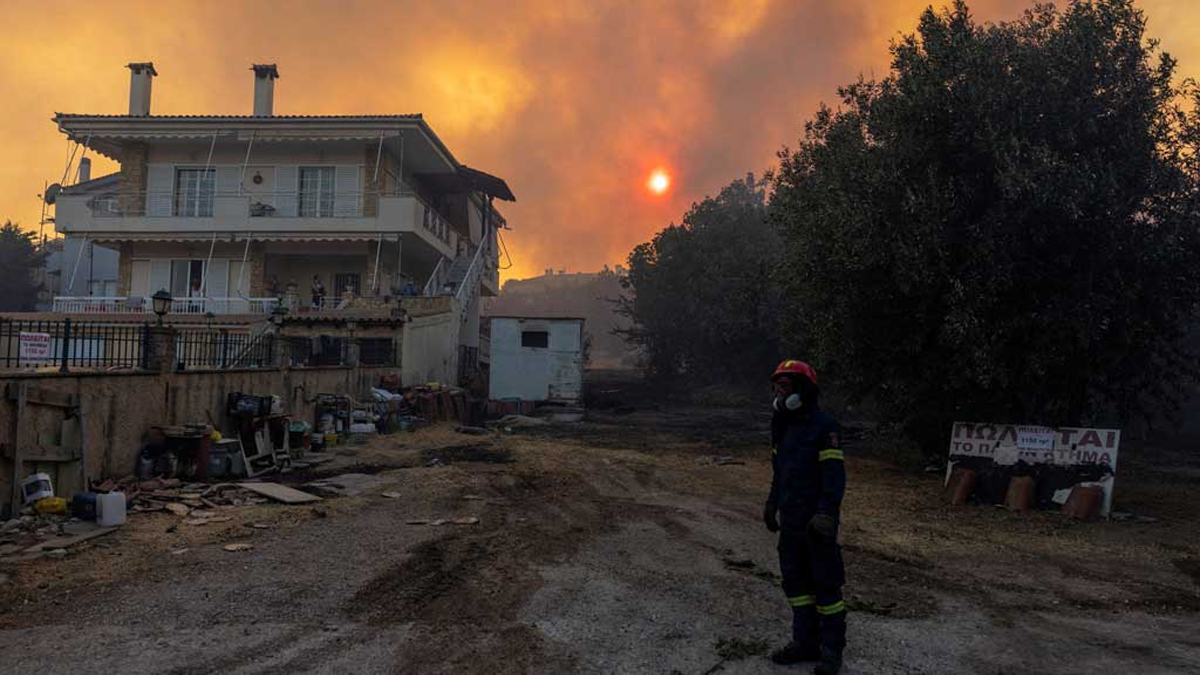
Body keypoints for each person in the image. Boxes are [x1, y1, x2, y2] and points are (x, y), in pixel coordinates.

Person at [764, 359, 847, 674]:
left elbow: (835, 477)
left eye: (786, 386)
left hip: (817, 523)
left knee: (826, 588)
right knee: (796, 585)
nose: (779, 391)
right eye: (777, 386)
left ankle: (831, 652)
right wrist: (772, 503)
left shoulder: (824, 426)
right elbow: (779, 471)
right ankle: (805, 643)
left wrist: (826, 513)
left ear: (802, 390)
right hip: (792, 521)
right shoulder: (781, 423)